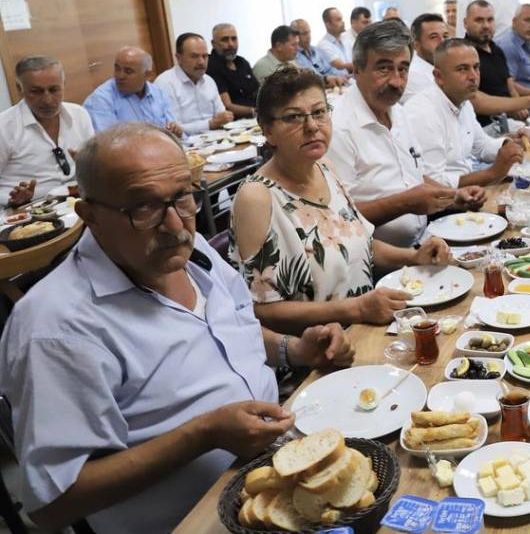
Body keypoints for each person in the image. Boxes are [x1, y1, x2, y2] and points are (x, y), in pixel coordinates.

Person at [0, 122, 355, 533]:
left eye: (182, 196)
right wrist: (203, 435)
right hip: (193, 519)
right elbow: (53, 502)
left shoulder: (192, 251)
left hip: (277, 470)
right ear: (89, 215)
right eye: (143, 208)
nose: (175, 225)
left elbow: (226, 331)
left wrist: (293, 350)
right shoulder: (57, 329)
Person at [231, 66, 449, 334]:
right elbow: (260, 309)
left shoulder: (325, 168)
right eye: (293, 117)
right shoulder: (257, 197)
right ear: (268, 131)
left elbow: (358, 242)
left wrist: (415, 256)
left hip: (365, 330)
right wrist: (355, 309)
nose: (312, 126)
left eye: (319, 112)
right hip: (312, 354)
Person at [326, 20, 484, 247]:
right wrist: (406, 204)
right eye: (384, 68)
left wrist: (452, 195)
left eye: (403, 68)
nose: (396, 81)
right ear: (357, 69)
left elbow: (414, 175)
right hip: (376, 263)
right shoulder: (339, 127)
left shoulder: (397, 112)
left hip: (423, 240)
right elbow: (340, 217)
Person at [405, 39, 527, 188]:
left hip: (468, 190)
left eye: (476, 67)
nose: (473, 76)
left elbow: (481, 146)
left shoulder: (463, 101)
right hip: (445, 205)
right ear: (439, 77)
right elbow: (434, 183)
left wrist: (510, 146)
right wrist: (493, 173)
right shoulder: (424, 112)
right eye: (462, 69)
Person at [0, 56, 93, 207]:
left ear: (63, 84)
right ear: (19, 89)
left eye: (54, 89)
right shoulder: (4, 127)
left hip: (76, 203)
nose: (47, 100)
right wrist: (12, 199)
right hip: (26, 213)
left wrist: (90, 165)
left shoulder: (79, 114)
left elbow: (93, 167)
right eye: (36, 92)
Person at [463, 0, 530, 130]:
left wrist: (519, 105)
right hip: (484, 128)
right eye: (479, 20)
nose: (485, 25)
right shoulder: (464, 54)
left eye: (490, 20)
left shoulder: (496, 49)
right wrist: (526, 101)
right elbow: (477, 101)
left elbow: (509, 84)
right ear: (465, 23)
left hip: (508, 121)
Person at [83, 47, 183, 137]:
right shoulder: (101, 100)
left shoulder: (158, 92)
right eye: (117, 68)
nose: (120, 76)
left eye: (128, 71)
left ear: (147, 75)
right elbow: (109, 146)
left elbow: (172, 126)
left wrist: (175, 131)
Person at [154, 33, 234, 135]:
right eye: (194, 56)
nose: (201, 62)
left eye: (205, 56)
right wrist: (210, 124)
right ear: (178, 58)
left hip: (219, 141)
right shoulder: (165, 83)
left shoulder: (209, 80)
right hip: (186, 146)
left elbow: (222, 117)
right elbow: (172, 128)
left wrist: (225, 119)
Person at [207, 23, 258, 118]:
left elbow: (258, 92)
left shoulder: (242, 62)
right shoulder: (211, 65)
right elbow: (227, 106)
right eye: (225, 40)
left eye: (234, 39)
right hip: (233, 123)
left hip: (255, 118)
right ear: (213, 44)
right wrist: (256, 111)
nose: (231, 44)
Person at [403, 12, 451, 105]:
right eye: (433, 37)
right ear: (416, 44)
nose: (443, 42)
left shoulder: (448, 66)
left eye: (445, 36)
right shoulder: (412, 75)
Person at [316, 7, 355, 79]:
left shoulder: (347, 39)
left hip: (353, 81)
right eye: (338, 20)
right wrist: (363, 65)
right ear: (328, 24)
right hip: (338, 85)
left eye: (342, 19)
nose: (343, 22)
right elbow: (340, 65)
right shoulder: (323, 45)